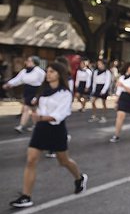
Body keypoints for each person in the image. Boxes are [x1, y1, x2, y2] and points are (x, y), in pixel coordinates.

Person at [9, 62, 88, 208]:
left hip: (56, 130)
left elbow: (61, 113)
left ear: (59, 74)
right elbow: (37, 106)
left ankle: (79, 178)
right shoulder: (43, 90)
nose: (48, 74)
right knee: (31, 160)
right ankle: (26, 196)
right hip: (40, 128)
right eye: (48, 71)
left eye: (52, 71)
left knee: (63, 161)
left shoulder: (64, 93)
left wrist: (42, 117)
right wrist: (34, 109)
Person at [3, 56, 45, 133]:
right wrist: (9, 84)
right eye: (27, 61)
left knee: (30, 109)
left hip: (36, 92)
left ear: (35, 62)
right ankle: (30, 126)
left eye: (30, 61)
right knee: (31, 110)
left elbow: (45, 83)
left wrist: (38, 96)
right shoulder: (24, 71)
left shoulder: (39, 72)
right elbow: (18, 79)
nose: (27, 62)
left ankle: (26, 126)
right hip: (27, 91)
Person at [89, 60, 112, 124]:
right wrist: (93, 89)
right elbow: (94, 81)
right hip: (97, 87)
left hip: (103, 87)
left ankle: (104, 116)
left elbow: (107, 82)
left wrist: (104, 90)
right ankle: (94, 115)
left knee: (103, 103)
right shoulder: (96, 71)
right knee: (93, 101)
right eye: (98, 64)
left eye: (100, 64)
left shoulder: (107, 72)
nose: (99, 65)